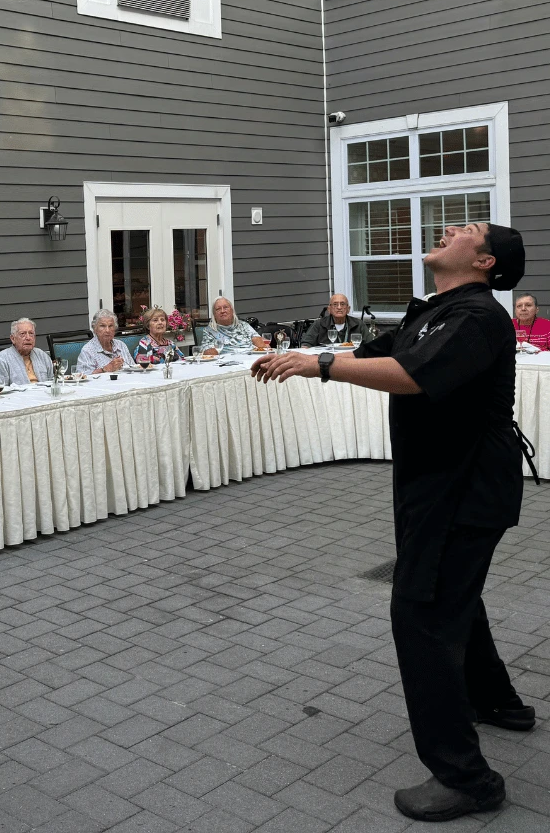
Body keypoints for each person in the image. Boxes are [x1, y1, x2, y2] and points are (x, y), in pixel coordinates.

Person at [252, 222, 533, 822]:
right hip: (437, 489)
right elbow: (383, 354)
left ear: (484, 262)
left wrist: (319, 364)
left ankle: (465, 777)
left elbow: (412, 376)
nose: (450, 228)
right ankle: (499, 703)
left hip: (463, 489)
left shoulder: (478, 318)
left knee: (420, 610)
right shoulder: (439, 310)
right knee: (454, 594)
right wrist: (308, 354)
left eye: (468, 230)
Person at [0, 319, 53, 386]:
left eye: (31, 333)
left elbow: (53, 382)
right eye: (23, 334)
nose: (28, 338)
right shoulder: (2, 359)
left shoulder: (42, 355)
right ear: (13, 339)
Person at [300, 293, 371, 347]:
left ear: (348, 309)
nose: (339, 307)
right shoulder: (319, 324)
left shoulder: (359, 325)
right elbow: (305, 345)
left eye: (342, 304)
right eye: (335, 304)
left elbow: (370, 345)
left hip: (351, 361)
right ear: (329, 309)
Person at [76, 309, 134, 374]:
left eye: (110, 326)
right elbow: (82, 376)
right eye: (102, 326)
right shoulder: (87, 351)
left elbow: (133, 368)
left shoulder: (121, 345)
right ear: (95, 329)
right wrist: (105, 369)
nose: (107, 330)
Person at [199, 298, 266, 354]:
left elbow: (260, 343)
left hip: (250, 359)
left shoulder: (244, 325)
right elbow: (206, 352)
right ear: (214, 314)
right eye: (218, 309)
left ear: (232, 310)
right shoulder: (210, 331)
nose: (222, 311)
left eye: (225, 307)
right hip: (225, 364)